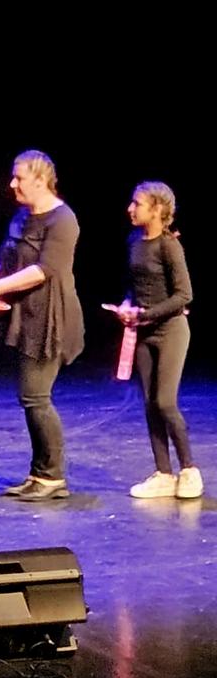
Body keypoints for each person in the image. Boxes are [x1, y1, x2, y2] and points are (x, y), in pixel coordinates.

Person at [0, 150, 84, 501]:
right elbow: (4, 263)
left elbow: (42, 271)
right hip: (28, 316)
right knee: (30, 398)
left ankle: (53, 476)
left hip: (51, 317)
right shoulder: (22, 217)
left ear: (40, 180)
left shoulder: (63, 220)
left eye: (19, 178)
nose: (12, 184)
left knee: (36, 396)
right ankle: (39, 474)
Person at [113, 182, 201, 500]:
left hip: (171, 331)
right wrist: (127, 305)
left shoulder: (169, 246)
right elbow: (133, 285)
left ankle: (189, 470)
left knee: (165, 401)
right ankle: (164, 473)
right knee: (150, 404)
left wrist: (147, 314)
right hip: (143, 333)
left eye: (137, 204)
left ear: (157, 209)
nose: (130, 209)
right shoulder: (134, 241)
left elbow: (184, 295)